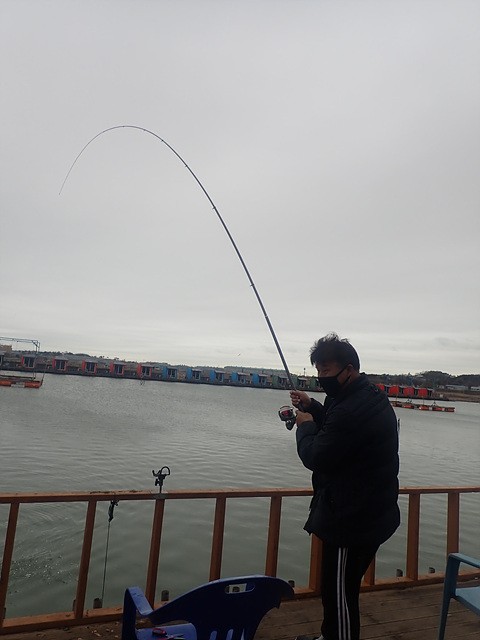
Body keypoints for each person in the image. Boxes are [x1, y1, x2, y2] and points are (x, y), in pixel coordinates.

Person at [291, 333, 400, 640]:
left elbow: (317, 456)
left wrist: (305, 426)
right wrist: (313, 406)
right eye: (318, 370)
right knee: (339, 588)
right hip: (372, 511)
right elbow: (339, 426)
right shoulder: (367, 395)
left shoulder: (351, 408)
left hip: (351, 521)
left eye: (326, 370)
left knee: (339, 594)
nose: (321, 377)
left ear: (348, 369)